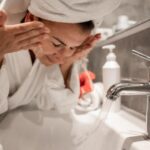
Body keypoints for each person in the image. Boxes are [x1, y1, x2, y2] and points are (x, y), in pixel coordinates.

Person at [0, 0, 121, 114]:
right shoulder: (3, 39)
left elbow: (61, 105)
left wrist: (67, 63)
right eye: (57, 43)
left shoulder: (51, 56)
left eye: (73, 47)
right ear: (31, 19)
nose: (65, 54)